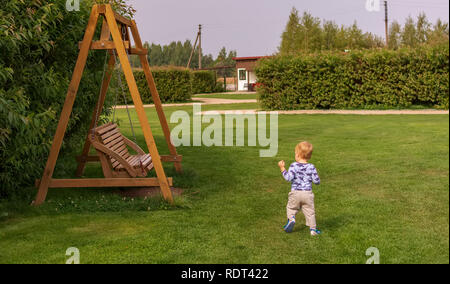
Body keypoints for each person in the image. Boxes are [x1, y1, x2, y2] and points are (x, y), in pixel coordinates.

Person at [278, 141, 322, 236]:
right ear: (309, 156)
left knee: (291, 207)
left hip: (295, 193)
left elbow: (288, 178)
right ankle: (313, 229)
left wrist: (282, 168)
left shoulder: (293, 165)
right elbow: (317, 181)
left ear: (297, 155)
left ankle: (291, 219)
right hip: (307, 194)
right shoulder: (311, 167)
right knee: (310, 212)